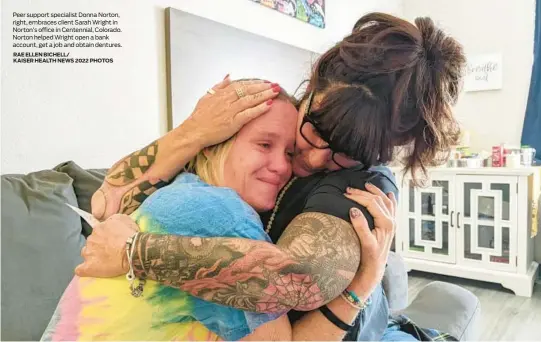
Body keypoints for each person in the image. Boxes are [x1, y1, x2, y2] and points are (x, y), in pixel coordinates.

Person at [78, 13, 465, 341]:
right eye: (314, 131)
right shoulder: (262, 121)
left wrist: (135, 253)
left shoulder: (363, 186)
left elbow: (299, 279)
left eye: (344, 153)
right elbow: (106, 199)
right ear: (314, 85)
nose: (312, 159)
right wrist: (192, 132)